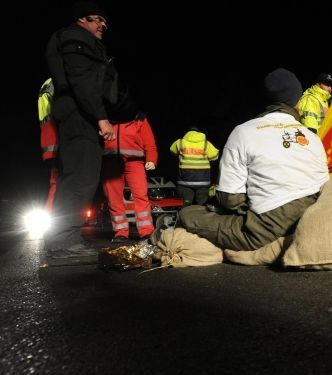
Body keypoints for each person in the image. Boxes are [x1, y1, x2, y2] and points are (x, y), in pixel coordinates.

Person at [161, 68, 329, 251]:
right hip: (311, 216)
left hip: (268, 227)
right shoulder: (312, 137)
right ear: (298, 101)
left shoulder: (244, 132)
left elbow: (230, 199)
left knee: (189, 213)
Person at [43, 1, 117, 262]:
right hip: (79, 114)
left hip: (77, 113)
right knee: (79, 178)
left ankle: (66, 239)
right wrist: (101, 117)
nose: (103, 25)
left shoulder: (74, 38)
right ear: (81, 19)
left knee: (79, 176)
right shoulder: (76, 36)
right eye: (97, 19)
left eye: (104, 21)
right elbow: (82, 80)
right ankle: (62, 242)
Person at [102, 112, 158, 243]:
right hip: (111, 161)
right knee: (113, 198)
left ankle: (147, 231)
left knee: (141, 195)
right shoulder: (104, 117)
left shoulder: (139, 117)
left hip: (135, 162)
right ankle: (120, 232)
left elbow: (149, 140)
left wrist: (152, 158)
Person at [169, 127, 220, 206]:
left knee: (185, 207)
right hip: (202, 181)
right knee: (202, 207)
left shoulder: (180, 142)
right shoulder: (206, 144)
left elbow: (172, 151)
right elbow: (214, 157)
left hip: (184, 182)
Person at [38, 78, 59, 213]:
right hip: (58, 134)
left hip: (48, 135)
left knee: (55, 183)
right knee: (62, 182)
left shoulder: (46, 83)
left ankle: (50, 219)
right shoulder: (58, 81)